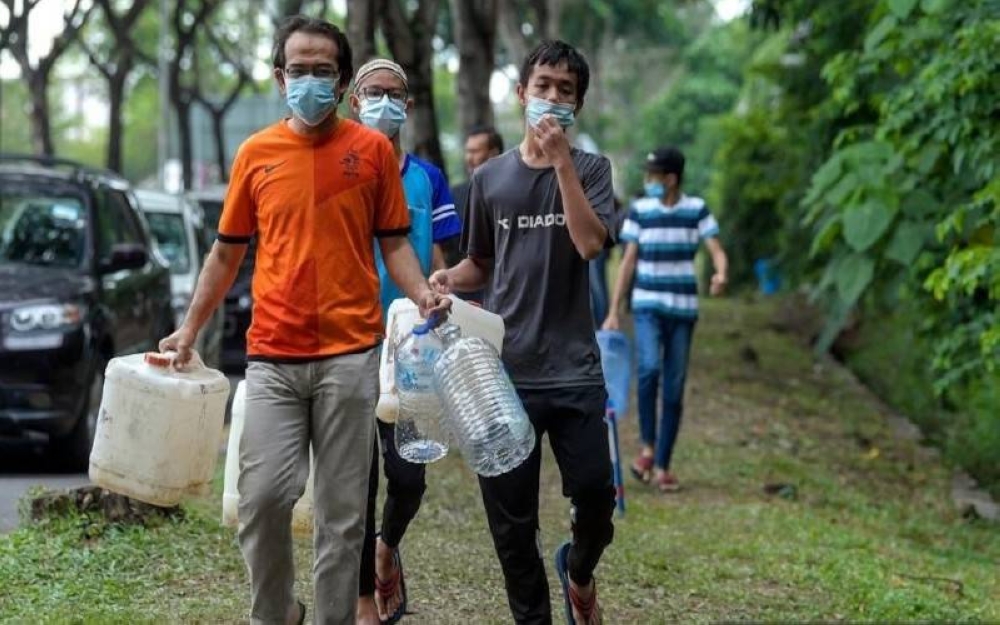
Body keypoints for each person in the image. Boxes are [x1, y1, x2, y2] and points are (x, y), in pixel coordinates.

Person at [157, 17, 449, 625]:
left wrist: (423, 293)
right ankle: (278, 614)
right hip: (271, 358)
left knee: (342, 520)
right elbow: (226, 252)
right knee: (262, 502)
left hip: (350, 356)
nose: (310, 81)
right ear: (278, 76)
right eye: (299, 70)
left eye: (323, 71)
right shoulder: (256, 153)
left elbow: (395, 242)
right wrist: (188, 330)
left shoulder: (371, 153)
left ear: (342, 83)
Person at [430, 40, 617, 625]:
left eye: (566, 90)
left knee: (595, 498)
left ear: (577, 104)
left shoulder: (591, 170)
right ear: (521, 93)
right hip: (502, 374)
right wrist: (446, 279)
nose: (553, 98)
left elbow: (589, 244)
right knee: (512, 524)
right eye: (543, 86)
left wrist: (562, 163)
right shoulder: (491, 179)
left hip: (575, 370)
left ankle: (579, 570)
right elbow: (481, 263)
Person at [347, 58, 462, 625]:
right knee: (358, 479)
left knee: (409, 473)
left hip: (410, 343)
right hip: (349, 338)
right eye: (374, 93)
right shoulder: (339, 168)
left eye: (395, 94)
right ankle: (365, 599)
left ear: (408, 106)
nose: (385, 103)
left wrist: (441, 311)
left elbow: (439, 257)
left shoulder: (427, 178)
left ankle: (387, 547)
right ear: (355, 100)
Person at [602, 146, 728, 493]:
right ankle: (646, 447)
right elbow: (627, 261)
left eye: (654, 176)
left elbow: (716, 249)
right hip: (647, 306)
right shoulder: (640, 211)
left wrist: (720, 273)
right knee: (648, 370)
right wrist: (614, 310)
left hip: (683, 310)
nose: (648, 181)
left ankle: (662, 465)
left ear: (671, 179)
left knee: (673, 387)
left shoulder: (696, 209)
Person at [448, 126, 504, 299]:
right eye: (467, 152)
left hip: (506, 291)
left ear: (494, 153)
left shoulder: (512, 192)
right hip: (467, 295)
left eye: (475, 151)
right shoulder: (455, 195)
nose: (469, 158)